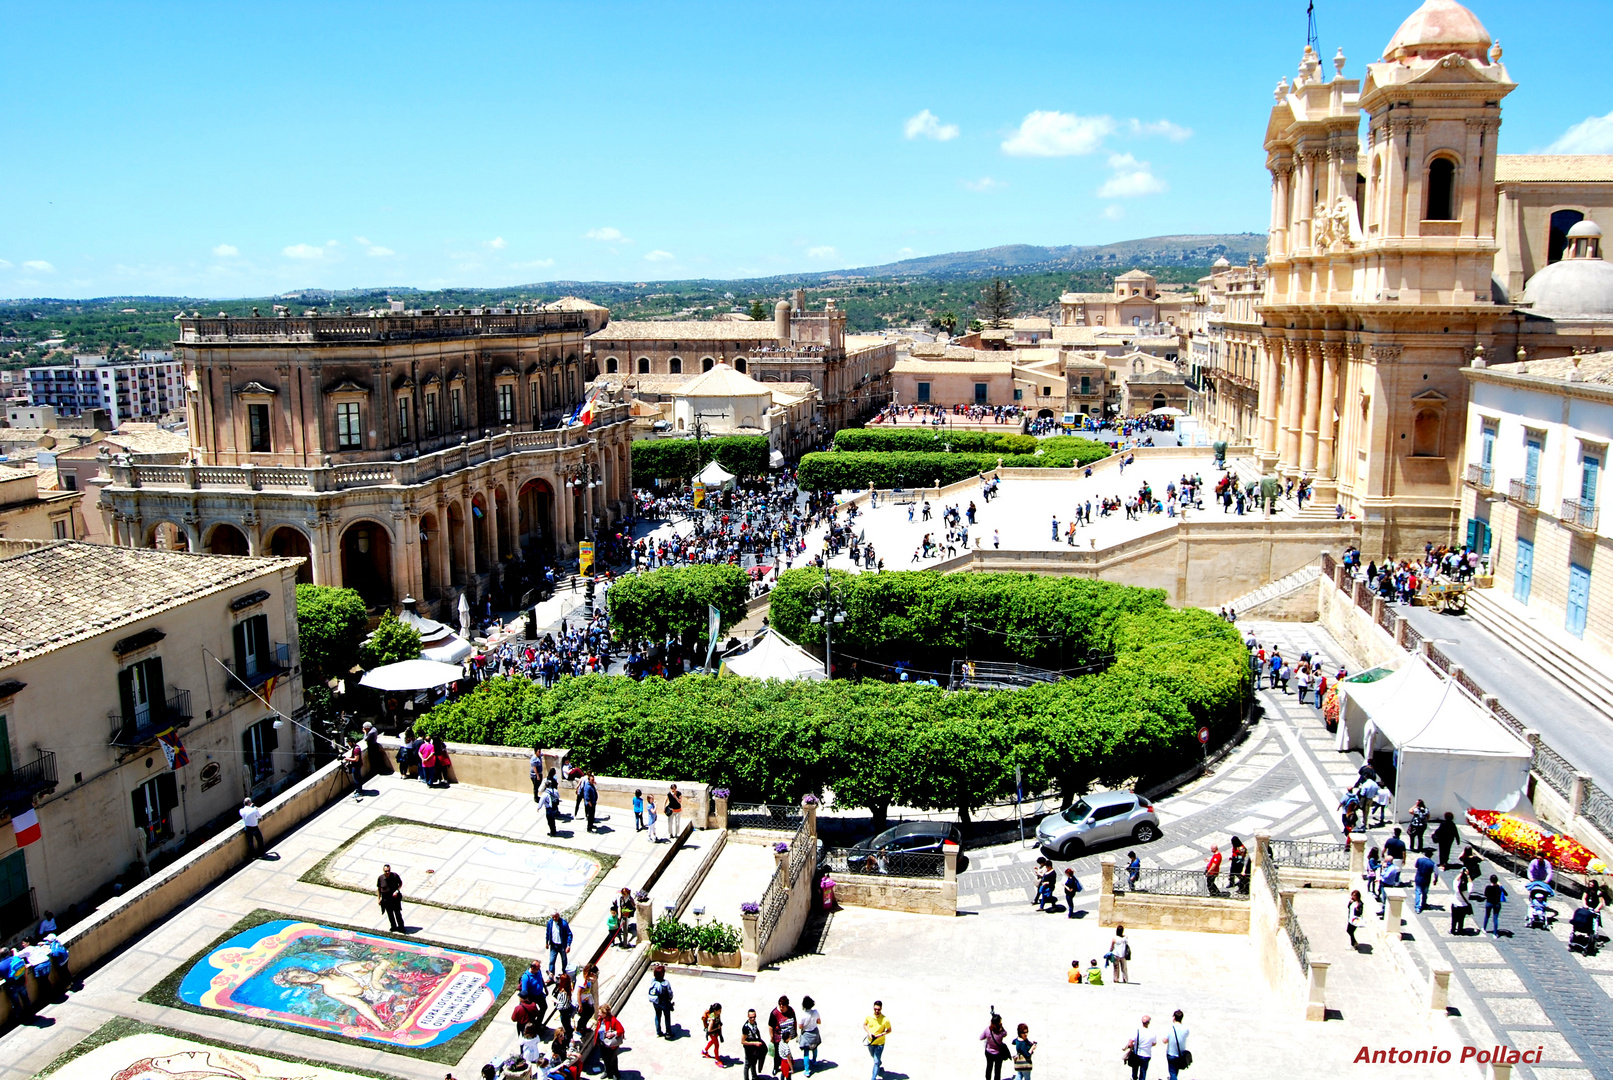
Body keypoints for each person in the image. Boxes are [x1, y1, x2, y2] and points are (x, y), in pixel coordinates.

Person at [769, 994, 798, 1076]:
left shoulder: (791, 1011)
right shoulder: (774, 1013)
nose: (781, 1007)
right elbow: (770, 1026)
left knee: (785, 1052)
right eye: (780, 1005)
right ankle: (775, 1067)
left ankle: (785, 1064)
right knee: (777, 1054)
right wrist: (771, 1037)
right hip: (777, 1036)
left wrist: (795, 1032)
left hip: (786, 1036)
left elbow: (795, 1021)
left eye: (783, 1005)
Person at [863, 1001, 891, 1080]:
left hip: (880, 1043)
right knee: (874, 1057)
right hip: (871, 1042)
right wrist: (869, 1032)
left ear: (881, 1008)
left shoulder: (885, 1019)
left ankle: (873, 1078)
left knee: (876, 1061)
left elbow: (889, 1030)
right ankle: (879, 1063)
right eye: (875, 1009)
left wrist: (881, 1034)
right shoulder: (869, 1017)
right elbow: (864, 1025)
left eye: (878, 1009)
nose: (877, 1011)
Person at [596, 1005, 625, 1079]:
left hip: (611, 1044)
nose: (598, 1014)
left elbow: (621, 1030)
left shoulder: (613, 1020)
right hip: (602, 1042)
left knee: (612, 1059)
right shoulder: (600, 1019)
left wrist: (613, 1033)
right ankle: (607, 1072)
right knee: (605, 1058)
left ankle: (615, 1073)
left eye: (600, 1012)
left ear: (605, 1013)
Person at [981, 1013, 1011, 1080]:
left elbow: (981, 1037)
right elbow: (1006, 1033)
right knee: (997, 1070)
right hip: (998, 1054)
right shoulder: (1001, 1033)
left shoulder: (987, 1030)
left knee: (989, 1067)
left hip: (989, 1052)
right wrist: (1001, 1027)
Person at [798, 995, 822, 1077]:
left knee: (806, 1052)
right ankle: (814, 1061)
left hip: (806, 1034)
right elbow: (819, 1022)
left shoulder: (803, 1015)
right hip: (815, 1032)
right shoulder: (816, 1012)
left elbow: (800, 1026)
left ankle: (807, 1070)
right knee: (815, 1048)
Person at [377, 863, 405, 932]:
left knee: (397, 913)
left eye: (388, 870)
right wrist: (379, 898)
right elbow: (379, 889)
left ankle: (401, 927)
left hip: (394, 898)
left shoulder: (395, 876)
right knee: (390, 913)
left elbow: (400, 883)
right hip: (386, 898)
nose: (387, 872)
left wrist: (397, 891)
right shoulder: (380, 878)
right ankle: (393, 927)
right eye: (386, 871)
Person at [649, 963, 675, 1038]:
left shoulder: (653, 981)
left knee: (657, 1015)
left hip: (656, 1002)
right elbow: (670, 993)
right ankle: (668, 1033)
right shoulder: (666, 983)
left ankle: (658, 1032)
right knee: (667, 1016)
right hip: (664, 1002)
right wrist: (670, 999)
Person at [1128, 1015, 1157, 1080]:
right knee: (1143, 1072)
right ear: (1149, 1023)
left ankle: (1134, 1078)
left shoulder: (1137, 1031)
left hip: (1137, 1054)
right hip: (1146, 1055)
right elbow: (1154, 1043)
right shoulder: (1152, 1033)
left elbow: (1130, 1043)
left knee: (1135, 1069)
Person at [1163, 1011, 1189, 1080]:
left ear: (1174, 1018)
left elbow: (1165, 1041)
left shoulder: (1170, 1028)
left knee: (1172, 1072)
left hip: (1171, 1053)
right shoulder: (1185, 1028)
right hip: (1180, 1054)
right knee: (1175, 1072)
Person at [742, 1009, 767, 1080]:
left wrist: (759, 1039)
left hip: (754, 1047)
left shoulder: (754, 1023)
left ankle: (754, 1076)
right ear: (748, 1017)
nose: (753, 1019)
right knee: (747, 1064)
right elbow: (743, 1041)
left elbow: (756, 1030)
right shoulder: (746, 1028)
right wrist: (755, 1043)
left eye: (754, 1017)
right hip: (748, 1048)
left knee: (754, 1062)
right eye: (751, 1017)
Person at [1450, 869, 1474, 935]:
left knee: (1454, 918)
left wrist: (1461, 874)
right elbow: (1470, 883)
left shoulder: (1457, 888)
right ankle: (1460, 930)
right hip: (1464, 905)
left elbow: (1455, 880)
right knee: (1461, 919)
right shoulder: (1468, 890)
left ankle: (1453, 930)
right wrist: (1468, 875)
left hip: (1455, 904)